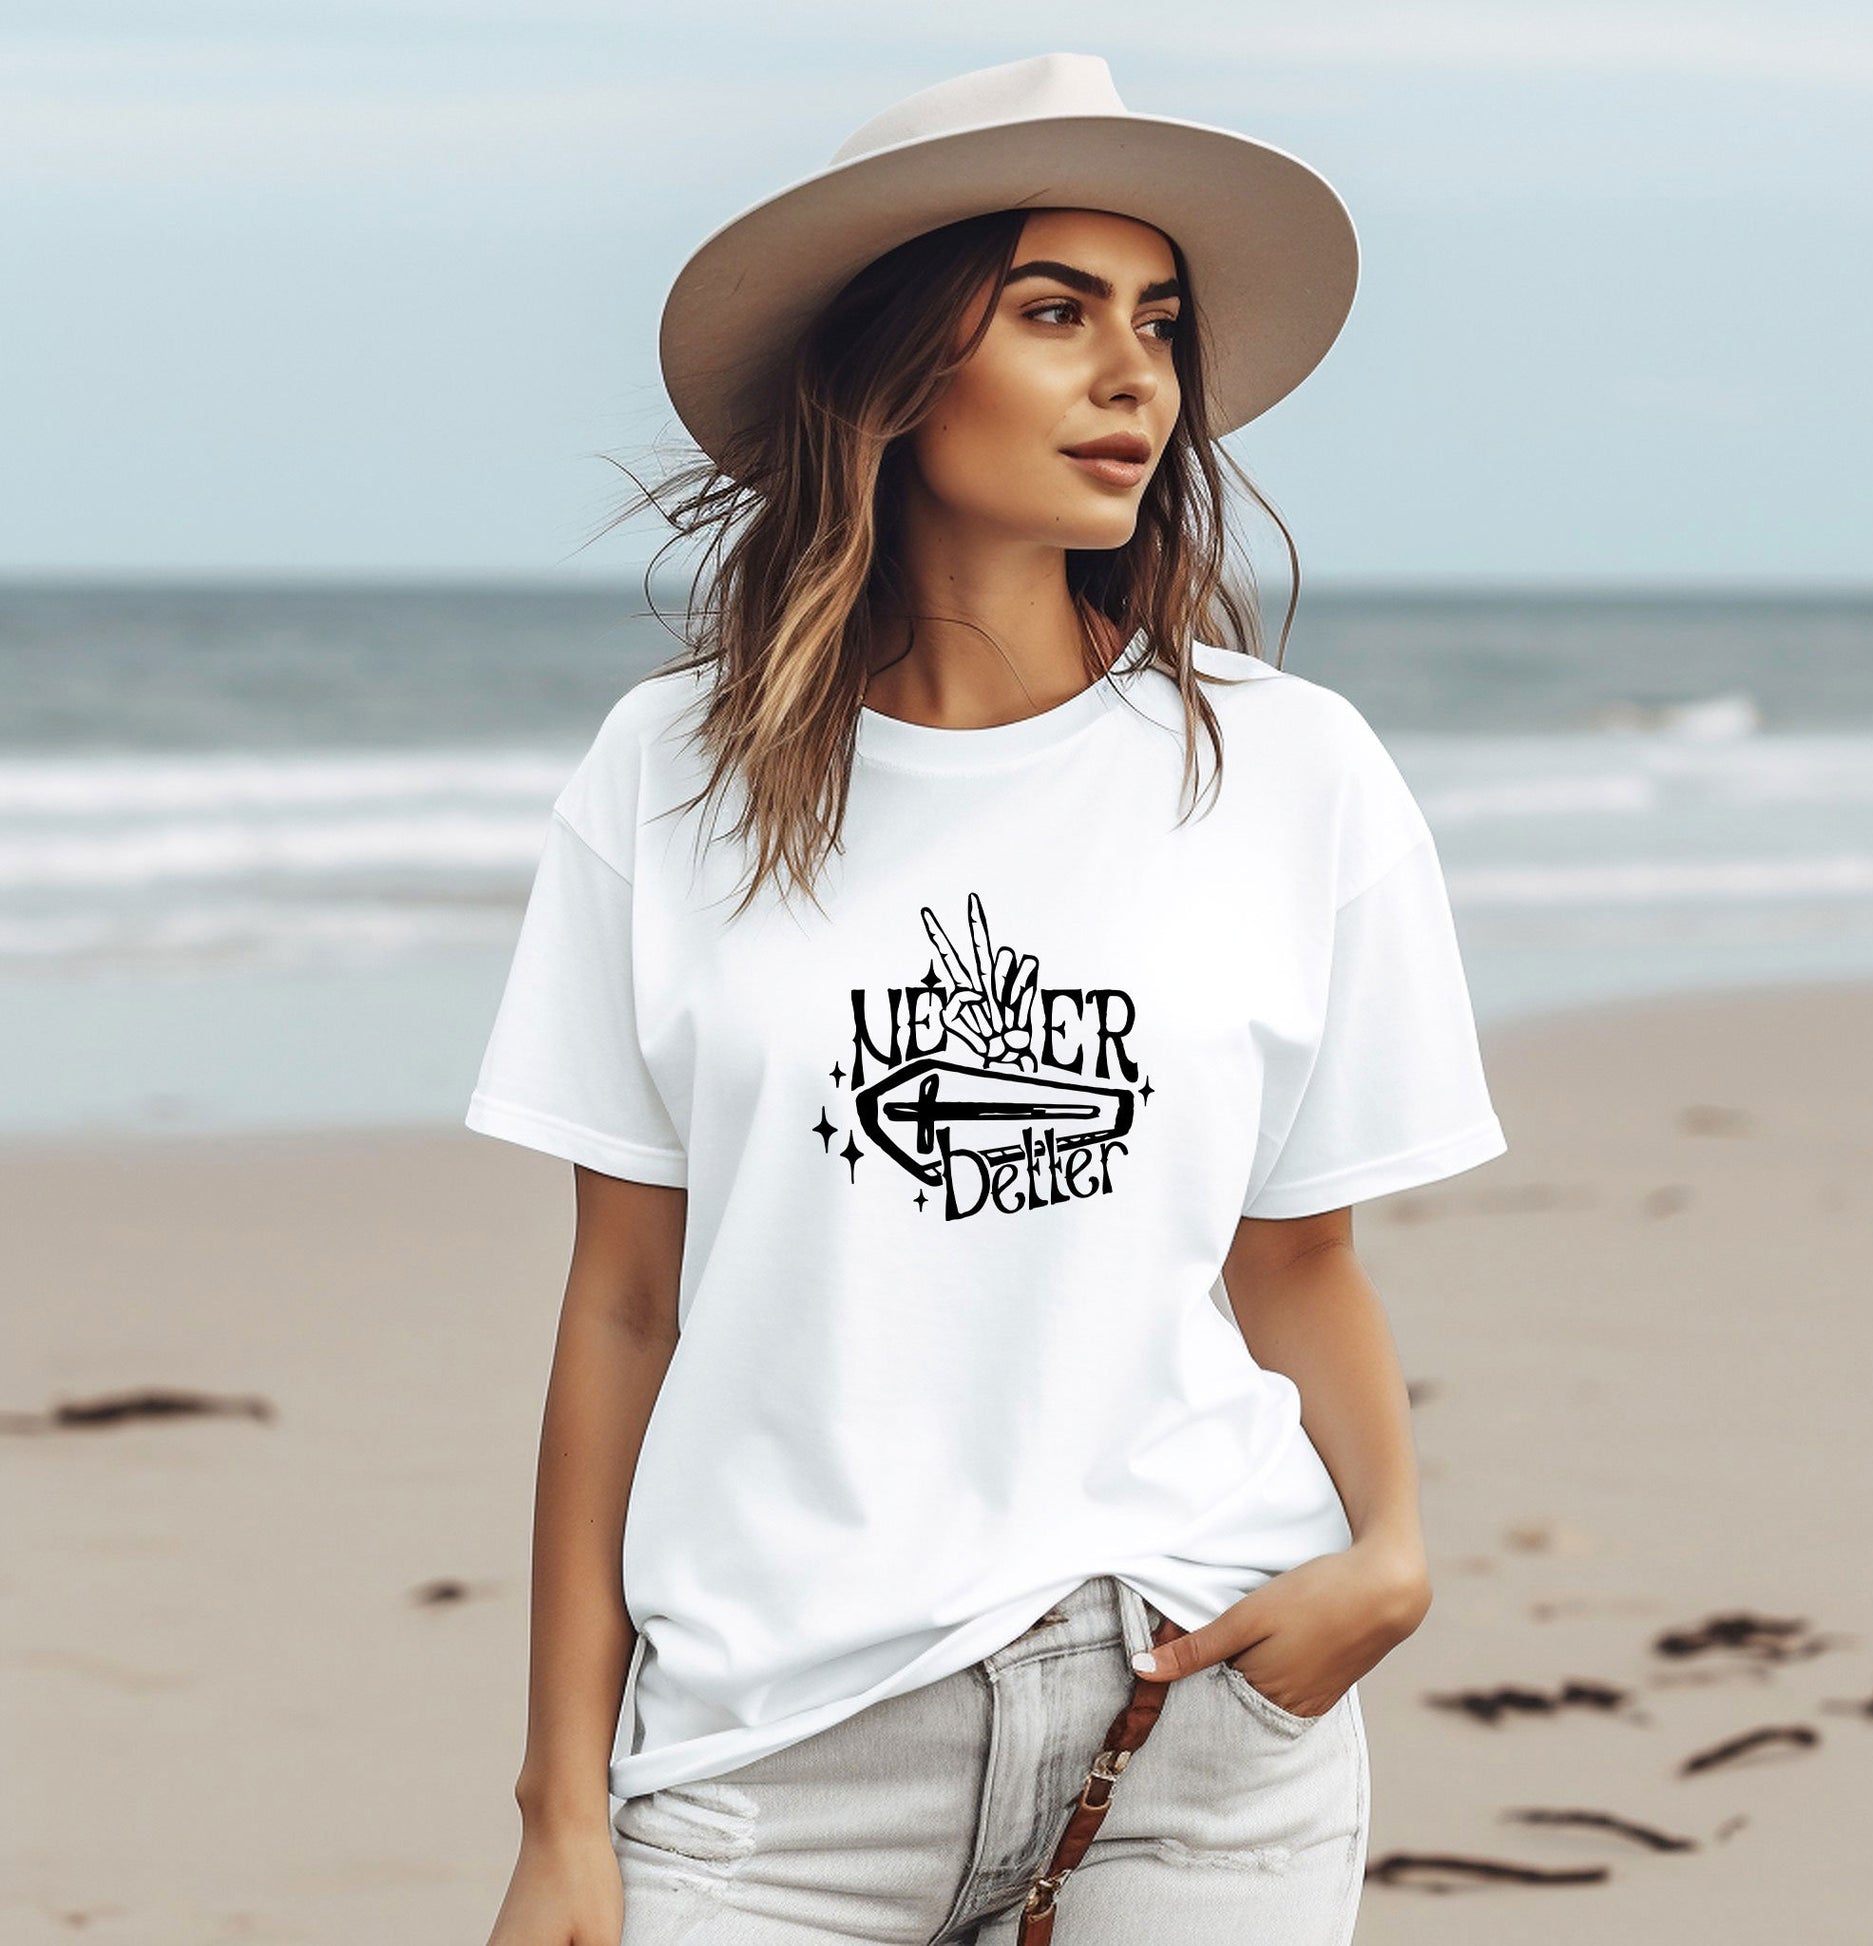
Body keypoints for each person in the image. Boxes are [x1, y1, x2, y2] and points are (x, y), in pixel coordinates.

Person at [467, 51, 1507, 1946]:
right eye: (1052, 311)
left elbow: (1297, 1259)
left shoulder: (1290, 771)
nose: (1135, 377)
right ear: (892, 368)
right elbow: (622, 1301)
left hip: (1193, 1711)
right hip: (768, 1753)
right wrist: (561, 1808)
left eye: (1159, 324)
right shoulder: (667, 775)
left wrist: (1392, 1557)